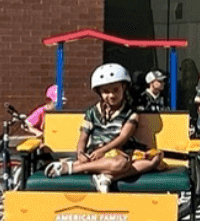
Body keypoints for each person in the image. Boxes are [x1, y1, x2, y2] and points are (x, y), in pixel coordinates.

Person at [44, 63, 164, 193]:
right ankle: (92, 171)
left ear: (124, 88)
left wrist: (104, 150)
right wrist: (80, 152)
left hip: (119, 151)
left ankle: (96, 173)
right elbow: (83, 137)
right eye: (106, 91)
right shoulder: (92, 112)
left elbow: (123, 137)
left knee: (155, 159)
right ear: (99, 93)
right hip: (97, 153)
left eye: (116, 90)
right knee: (121, 163)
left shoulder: (131, 114)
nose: (111, 95)